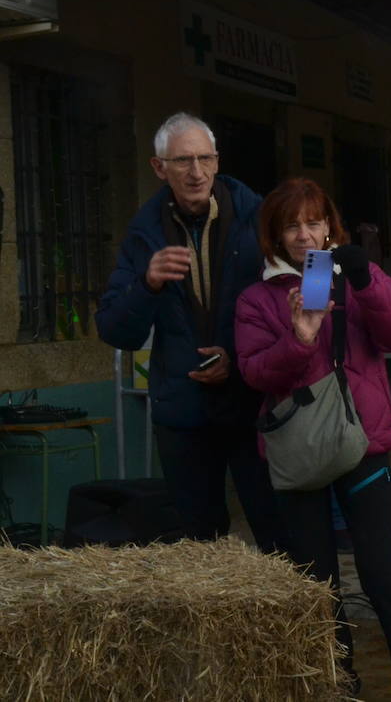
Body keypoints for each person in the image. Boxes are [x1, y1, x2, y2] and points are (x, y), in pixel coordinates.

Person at [234, 177, 391, 702]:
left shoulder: (351, 279)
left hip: (361, 445)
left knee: (382, 577)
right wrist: (299, 337)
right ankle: (339, 687)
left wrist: (368, 279)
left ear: (330, 226)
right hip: (299, 454)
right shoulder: (257, 298)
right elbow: (256, 374)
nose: (305, 234)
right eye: (291, 225)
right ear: (276, 236)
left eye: (314, 221)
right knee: (318, 584)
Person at [96, 112, 281, 551]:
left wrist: (237, 357)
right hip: (183, 411)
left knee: (281, 532)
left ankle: (311, 619)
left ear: (217, 161)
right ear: (159, 168)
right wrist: (147, 284)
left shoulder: (259, 218)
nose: (195, 172)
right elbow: (114, 329)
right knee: (200, 547)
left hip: (254, 401)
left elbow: (300, 295)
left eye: (204, 158)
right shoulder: (143, 235)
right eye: (182, 161)